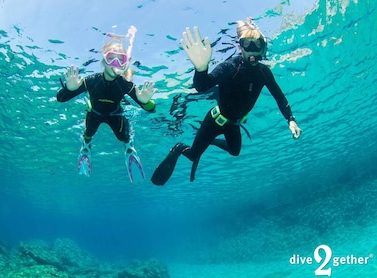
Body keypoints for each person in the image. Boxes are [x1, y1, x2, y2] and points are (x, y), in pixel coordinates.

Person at [151, 20, 302, 186]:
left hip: (233, 124)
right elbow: (202, 86)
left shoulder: (263, 73)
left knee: (234, 151)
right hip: (214, 121)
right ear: (240, 47)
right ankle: (179, 148)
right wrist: (201, 69)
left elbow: (279, 96)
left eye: (257, 44)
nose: (252, 49)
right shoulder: (230, 66)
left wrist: (291, 119)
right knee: (193, 154)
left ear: (263, 47)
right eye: (247, 44)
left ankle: (209, 141)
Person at [57, 26, 156, 178]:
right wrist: (69, 89)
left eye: (120, 59)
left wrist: (145, 102)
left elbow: (151, 109)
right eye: (111, 58)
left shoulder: (124, 84)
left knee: (124, 137)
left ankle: (129, 148)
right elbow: (61, 99)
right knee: (88, 133)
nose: (115, 62)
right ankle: (86, 146)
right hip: (94, 114)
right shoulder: (91, 80)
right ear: (103, 60)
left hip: (116, 115)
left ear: (124, 64)